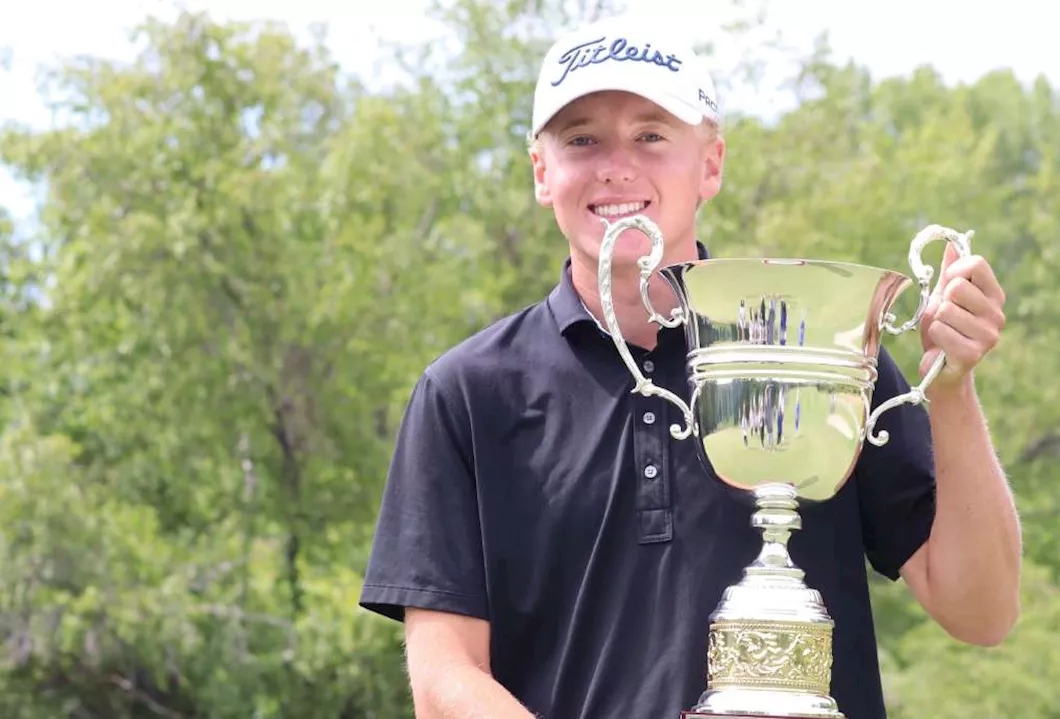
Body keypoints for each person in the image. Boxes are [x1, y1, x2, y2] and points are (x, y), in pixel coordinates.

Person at [358, 14, 1022, 719]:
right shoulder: (466, 393)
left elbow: (982, 612)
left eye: (651, 135)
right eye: (582, 139)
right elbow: (444, 679)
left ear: (710, 163)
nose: (616, 164)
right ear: (541, 172)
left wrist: (952, 385)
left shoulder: (819, 343)